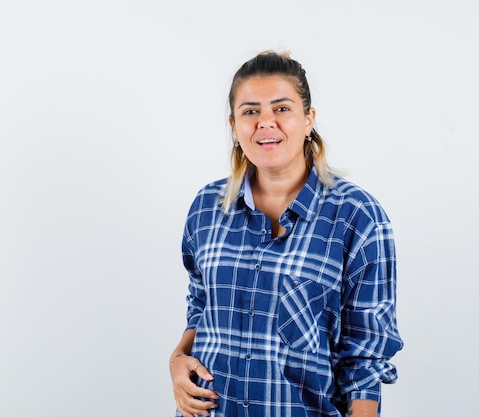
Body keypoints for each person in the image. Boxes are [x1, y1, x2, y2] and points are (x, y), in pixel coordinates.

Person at [169, 50, 404, 417]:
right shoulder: (206, 207)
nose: (266, 123)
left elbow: (366, 358)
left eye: (281, 108)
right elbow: (201, 306)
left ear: (308, 119)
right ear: (233, 125)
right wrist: (177, 359)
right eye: (250, 111)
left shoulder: (358, 217)